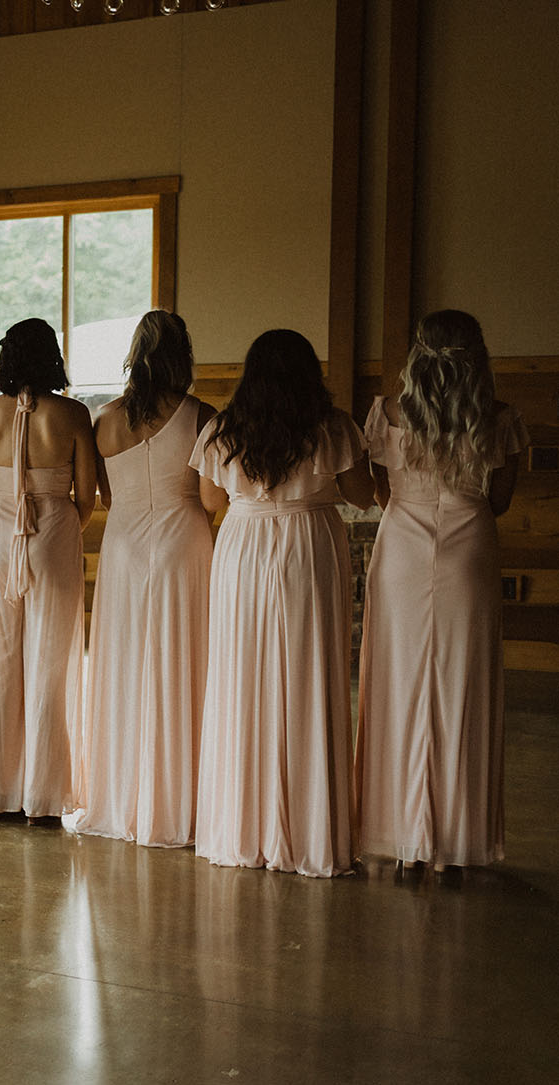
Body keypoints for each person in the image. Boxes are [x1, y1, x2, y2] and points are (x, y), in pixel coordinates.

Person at [191, 328, 374, 878]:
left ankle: (243, 826)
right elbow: (364, 494)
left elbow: (209, 500)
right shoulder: (331, 426)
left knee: (242, 679)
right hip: (309, 546)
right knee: (308, 674)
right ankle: (309, 829)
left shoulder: (224, 430)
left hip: (243, 548)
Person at [356, 309, 528, 871]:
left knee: (399, 686)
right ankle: (455, 845)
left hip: (401, 548)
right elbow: (499, 501)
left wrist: (412, 507)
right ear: (477, 357)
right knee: (461, 691)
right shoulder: (499, 419)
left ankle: (401, 838)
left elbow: (381, 490)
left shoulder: (386, 414)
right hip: (470, 549)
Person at [72, 311, 215, 847]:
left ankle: (125, 793)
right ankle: (181, 799)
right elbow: (208, 496)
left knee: (127, 664)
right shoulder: (202, 416)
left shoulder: (104, 420)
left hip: (126, 548)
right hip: (185, 543)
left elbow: (105, 497)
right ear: (183, 355)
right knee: (183, 664)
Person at [0, 319, 97, 823]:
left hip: (1, 537)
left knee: (0, 665)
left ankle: (1, 795)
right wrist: (58, 527)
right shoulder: (72, 414)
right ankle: (43, 801)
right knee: (49, 667)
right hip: (55, 533)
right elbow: (86, 497)